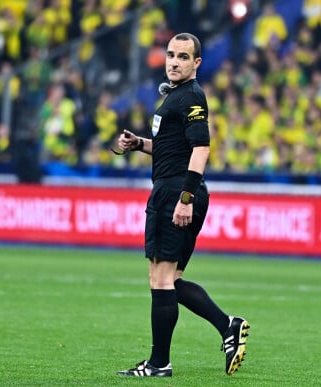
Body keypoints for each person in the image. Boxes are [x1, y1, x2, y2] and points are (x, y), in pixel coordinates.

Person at [115, 32, 250, 377]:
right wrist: (139, 144)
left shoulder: (191, 96)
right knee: (170, 279)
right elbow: (172, 148)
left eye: (183, 57)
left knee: (160, 279)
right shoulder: (175, 97)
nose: (174, 62)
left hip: (177, 192)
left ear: (196, 63)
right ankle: (227, 326)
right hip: (175, 189)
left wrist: (185, 198)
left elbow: (201, 148)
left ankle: (159, 364)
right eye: (171, 55)